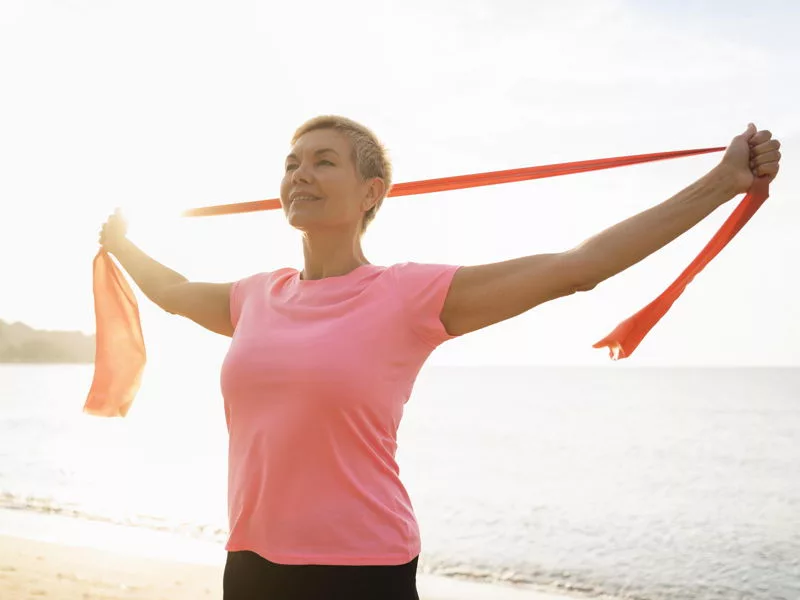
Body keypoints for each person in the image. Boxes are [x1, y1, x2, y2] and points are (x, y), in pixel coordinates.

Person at [99, 116, 781, 599]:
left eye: (323, 161)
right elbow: (176, 293)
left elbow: (579, 266)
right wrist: (123, 244)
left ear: (371, 194)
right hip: (248, 565)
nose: (300, 174)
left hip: (360, 572)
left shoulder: (408, 295)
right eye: (291, 163)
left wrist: (722, 182)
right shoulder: (256, 295)